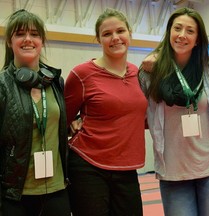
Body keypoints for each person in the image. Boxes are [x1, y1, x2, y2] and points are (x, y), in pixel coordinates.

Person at [139, 7, 209, 216]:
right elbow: (130, 104)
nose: (182, 35)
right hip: (173, 172)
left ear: (198, 39)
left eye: (190, 31)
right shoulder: (150, 72)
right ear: (169, 33)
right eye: (177, 28)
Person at [64, 8, 148, 216]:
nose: (115, 38)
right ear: (98, 39)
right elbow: (62, 116)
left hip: (127, 168)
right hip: (87, 166)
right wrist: (74, 121)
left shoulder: (139, 74)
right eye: (107, 33)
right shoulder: (81, 74)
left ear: (130, 33)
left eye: (120, 31)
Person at [0, 9, 71, 216]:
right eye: (20, 34)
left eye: (34, 34)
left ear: (42, 41)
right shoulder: (2, 85)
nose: (28, 39)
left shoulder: (55, 82)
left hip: (57, 189)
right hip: (16, 194)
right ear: (9, 42)